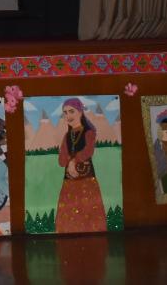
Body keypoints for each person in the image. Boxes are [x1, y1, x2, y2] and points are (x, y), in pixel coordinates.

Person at [54, 98, 107, 233]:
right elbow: (61, 161)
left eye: (71, 111)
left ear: (80, 112)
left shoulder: (89, 132)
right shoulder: (67, 136)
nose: (68, 116)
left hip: (86, 180)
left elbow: (88, 151)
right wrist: (68, 160)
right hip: (69, 182)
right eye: (65, 113)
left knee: (89, 212)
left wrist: (73, 161)